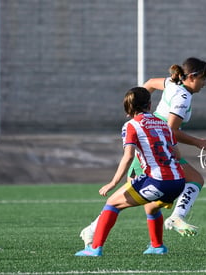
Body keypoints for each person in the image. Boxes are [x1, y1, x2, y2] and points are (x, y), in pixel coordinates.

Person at [79, 57, 206, 246]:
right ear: (192, 76)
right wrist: (198, 142)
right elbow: (171, 130)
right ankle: (92, 230)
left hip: (155, 143)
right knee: (123, 198)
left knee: (149, 205)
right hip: (153, 149)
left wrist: (140, 110)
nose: (205, 84)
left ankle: (157, 245)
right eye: (203, 78)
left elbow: (149, 84)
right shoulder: (182, 98)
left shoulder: (172, 83)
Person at [75, 87, 186, 256]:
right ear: (149, 105)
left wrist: (113, 182)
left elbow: (128, 157)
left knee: (112, 203)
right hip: (178, 181)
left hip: (158, 180)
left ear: (128, 109)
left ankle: (95, 248)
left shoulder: (131, 125)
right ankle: (157, 246)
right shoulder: (163, 124)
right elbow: (177, 155)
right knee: (151, 208)